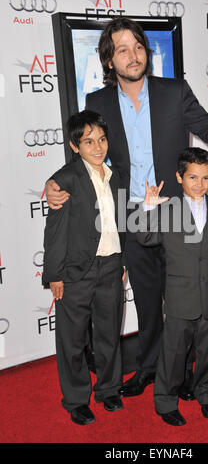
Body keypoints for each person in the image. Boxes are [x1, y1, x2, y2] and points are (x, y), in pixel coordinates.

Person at [45, 17, 208, 400]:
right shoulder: (97, 103)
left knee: (187, 301)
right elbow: (89, 154)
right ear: (110, 60)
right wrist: (55, 183)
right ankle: (150, 369)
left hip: (177, 213)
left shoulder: (173, 91)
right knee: (147, 301)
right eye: (122, 49)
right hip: (131, 215)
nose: (133, 56)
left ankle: (182, 374)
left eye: (137, 46)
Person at [137, 147, 208, 426]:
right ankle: (166, 401)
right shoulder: (168, 210)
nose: (200, 184)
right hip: (180, 296)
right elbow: (145, 237)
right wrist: (148, 207)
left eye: (206, 178)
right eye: (193, 177)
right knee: (173, 352)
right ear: (179, 177)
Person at [42, 110, 126, 425]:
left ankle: (109, 389)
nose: (97, 147)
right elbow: (55, 232)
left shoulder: (115, 175)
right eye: (88, 141)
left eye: (101, 139)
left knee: (108, 334)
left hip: (111, 267)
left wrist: (123, 260)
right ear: (75, 145)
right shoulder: (65, 179)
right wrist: (55, 275)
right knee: (72, 339)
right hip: (75, 273)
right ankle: (77, 399)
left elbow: (121, 223)